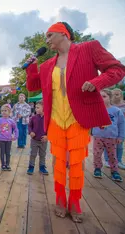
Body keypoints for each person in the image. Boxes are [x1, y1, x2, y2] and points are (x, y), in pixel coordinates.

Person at [26, 22, 125, 222]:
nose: (46, 40)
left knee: (77, 164)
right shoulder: (47, 65)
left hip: (78, 119)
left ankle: (75, 202)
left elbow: (117, 69)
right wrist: (30, 68)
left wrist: (97, 83)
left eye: (50, 35)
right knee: (59, 163)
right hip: (55, 120)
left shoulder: (90, 48)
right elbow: (33, 86)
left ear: (64, 34)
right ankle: (61, 199)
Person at [92, 89, 124, 181]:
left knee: (112, 155)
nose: (102, 98)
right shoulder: (95, 109)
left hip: (111, 137)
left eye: (104, 96)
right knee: (97, 154)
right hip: (98, 136)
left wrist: (120, 136)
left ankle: (114, 171)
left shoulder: (116, 111)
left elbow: (121, 124)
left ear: (110, 98)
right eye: (100, 96)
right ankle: (97, 169)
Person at [0, 104, 18, 171]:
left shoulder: (11, 121)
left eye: (5, 110)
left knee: (8, 152)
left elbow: (16, 129)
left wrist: (15, 136)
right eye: (2, 111)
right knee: (2, 152)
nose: (3, 112)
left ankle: (7, 164)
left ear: (9, 112)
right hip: (1, 139)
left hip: (9, 139)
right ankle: (3, 164)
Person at [104, 88, 125, 169]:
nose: (115, 96)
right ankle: (107, 160)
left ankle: (119, 161)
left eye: (117, 94)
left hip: (120, 129)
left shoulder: (124, 106)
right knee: (108, 145)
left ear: (121, 95)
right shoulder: (109, 107)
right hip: (110, 130)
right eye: (113, 95)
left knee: (119, 145)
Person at [27, 101, 49, 175]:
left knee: (43, 155)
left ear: (44, 108)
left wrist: (47, 136)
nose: (36, 109)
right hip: (34, 140)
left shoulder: (48, 118)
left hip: (43, 141)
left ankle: (42, 167)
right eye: (35, 107)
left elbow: (51, 128)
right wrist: (30, 132)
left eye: (38, 107)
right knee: (33, 154)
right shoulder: (33, 117)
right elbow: (29, 126)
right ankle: (31, 167)